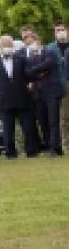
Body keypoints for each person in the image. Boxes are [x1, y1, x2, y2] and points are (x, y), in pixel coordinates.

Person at [0, 35, 36, 158]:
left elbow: (28, 75)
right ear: (0, 47)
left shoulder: (21, 59)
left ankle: (30, 150)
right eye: (5, 46)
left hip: (22, 98)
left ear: (13, 46)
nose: (7, 48)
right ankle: (10, 153)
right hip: (4, 100)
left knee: (27, 127)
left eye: (9, 45)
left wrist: (30, 83)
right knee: (8, 129)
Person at [25, 29, 65, 156]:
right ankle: (50, 145)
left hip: (52, 91)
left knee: (53, 120)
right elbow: (28, 72)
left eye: (31, 41)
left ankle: (55, 147)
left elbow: (49, 63)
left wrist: (36, 71)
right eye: (27, 43)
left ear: (38, 41)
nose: (30, 45)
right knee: (43, 121)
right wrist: (39, 72)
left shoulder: (50, 51)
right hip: (38, 93)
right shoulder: (30, 57)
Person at [55, 21, 69, 152]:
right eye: (58, 30)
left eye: (62, 30)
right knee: (64, 117)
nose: (60, 32)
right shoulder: (51, 48)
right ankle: (65, 145)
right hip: (62, 86)